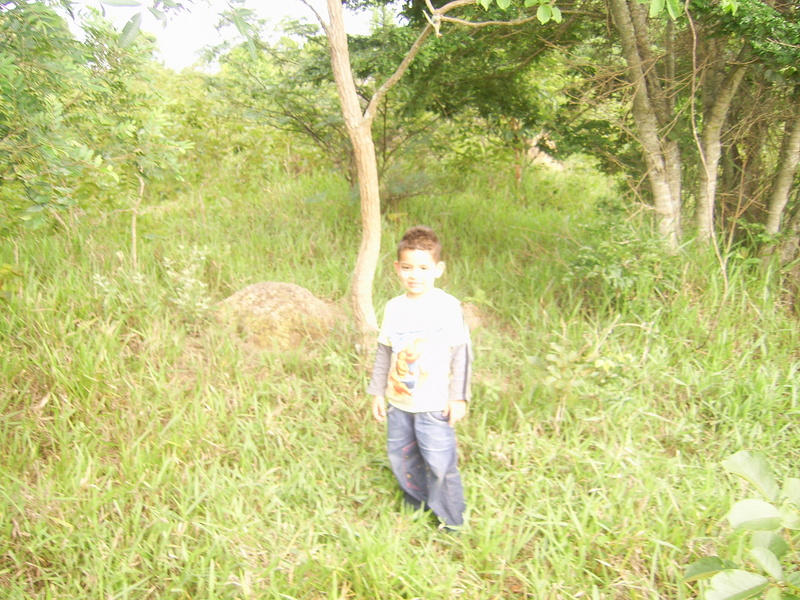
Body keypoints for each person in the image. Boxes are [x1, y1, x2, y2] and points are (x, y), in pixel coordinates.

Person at [367, 225, 472, 530]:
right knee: (402, 458)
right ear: (397, 268)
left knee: (439, 464)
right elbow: (385, 351)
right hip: (399, 404)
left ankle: (451, 519)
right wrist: (377, 392)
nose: (415, 275)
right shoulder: (394, 307)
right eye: (408, 268)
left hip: (434, 404)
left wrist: (458, 397)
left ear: (438, 269)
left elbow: (461, 353)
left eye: (424, 268)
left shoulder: (447, 307)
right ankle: (416, 505)